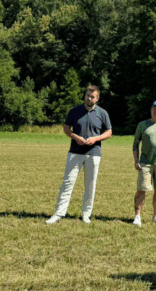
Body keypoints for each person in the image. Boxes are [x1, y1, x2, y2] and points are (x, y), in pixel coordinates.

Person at [46, 85, 112, 224]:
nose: (89, 98)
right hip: (75, 152)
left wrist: (95, 139)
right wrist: (75, 137)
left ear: (97, 98)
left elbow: (109, 132)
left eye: (92, 96)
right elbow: (66, 128)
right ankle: (59, 214)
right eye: (87, 95)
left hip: (94, 153)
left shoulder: (102, 113)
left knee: (90, 185)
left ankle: (86, 214)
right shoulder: (74, 111)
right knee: (67, 183)